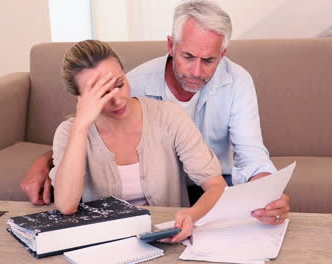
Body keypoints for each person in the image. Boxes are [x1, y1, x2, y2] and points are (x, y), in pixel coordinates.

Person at [21, 0, 290, 225]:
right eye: (188, 57)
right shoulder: (135, 82)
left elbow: (249, 154)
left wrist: (267, 191)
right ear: (171, 46)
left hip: (211, 185)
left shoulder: (234, 83)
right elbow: (89, 133)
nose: (197, 71)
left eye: (209, 60)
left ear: (222, 53)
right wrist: (48, 160)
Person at [50, 39, 226, 243]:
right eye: (102, 94)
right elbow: (66, 205)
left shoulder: (168, 116)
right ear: (80, 98)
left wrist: (193, 215)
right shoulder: (68, 133)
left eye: (119, 84)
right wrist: (80, 127)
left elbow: (216, 185)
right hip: (108, 243)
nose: (118, 100)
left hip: (169, 239)